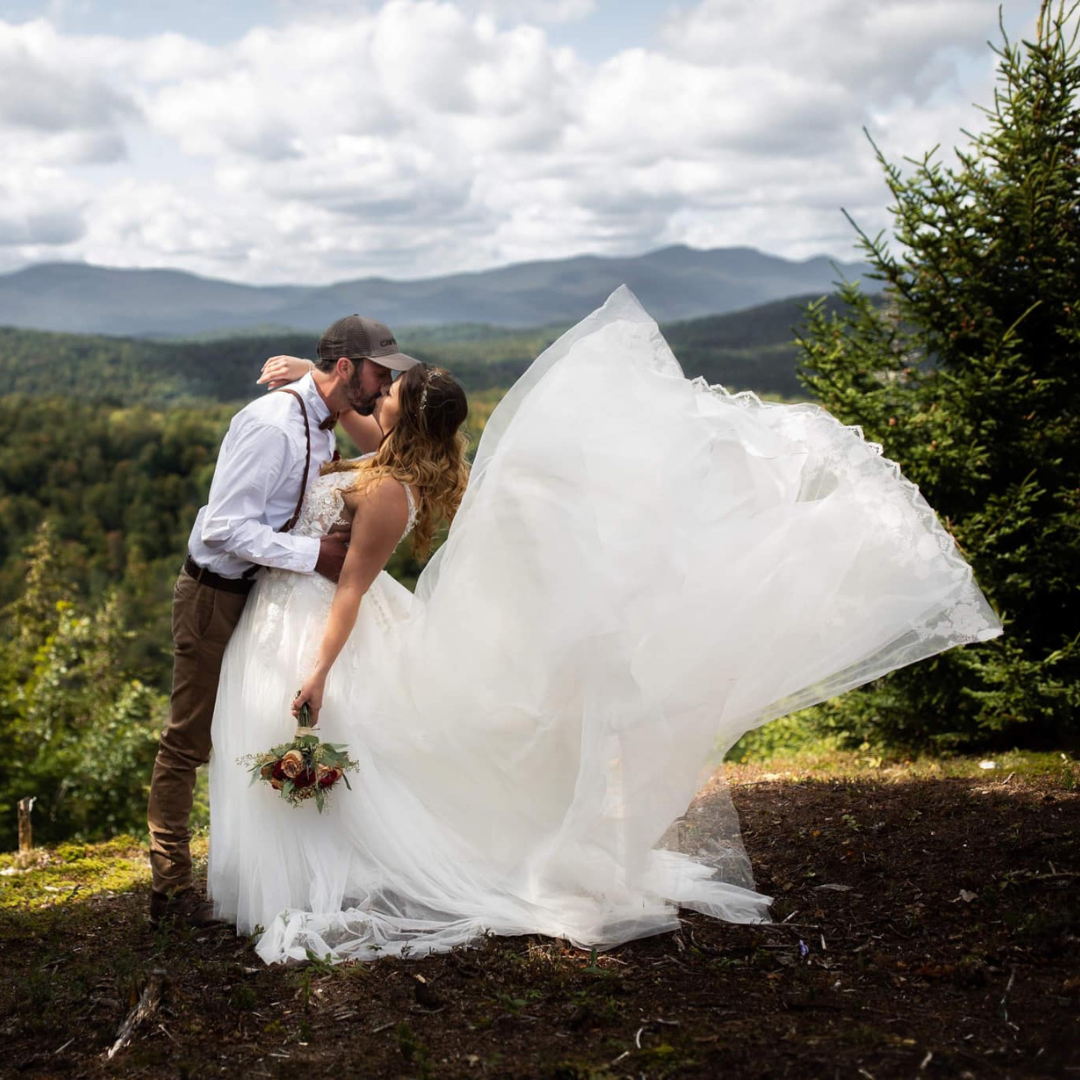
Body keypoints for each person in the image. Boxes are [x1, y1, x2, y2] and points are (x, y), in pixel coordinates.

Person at [208, 286, 1002, 964]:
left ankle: (350, 863)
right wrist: (310, 374)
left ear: (401, 416)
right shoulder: (398, 456)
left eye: (385, 393)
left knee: (370, 745)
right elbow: (359, 424)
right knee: (378, 747)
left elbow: (351, 583)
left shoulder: (388, 488)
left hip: (341, 615)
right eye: (375, 383)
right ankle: (337, 853)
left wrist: (318, 668)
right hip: (327, 607)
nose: (374, 395)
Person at [147, 313, 420, 928]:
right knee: (189, 738)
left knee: (253, 729)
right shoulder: (274, 426)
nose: (383, 387)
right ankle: (170, 889)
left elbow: (382, 448)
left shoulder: (322, 422)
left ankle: (265, 870)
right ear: (346, 367)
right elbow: (224, 528)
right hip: (216, 594)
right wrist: (314, 554)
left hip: (263, 598)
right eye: (378, 373)